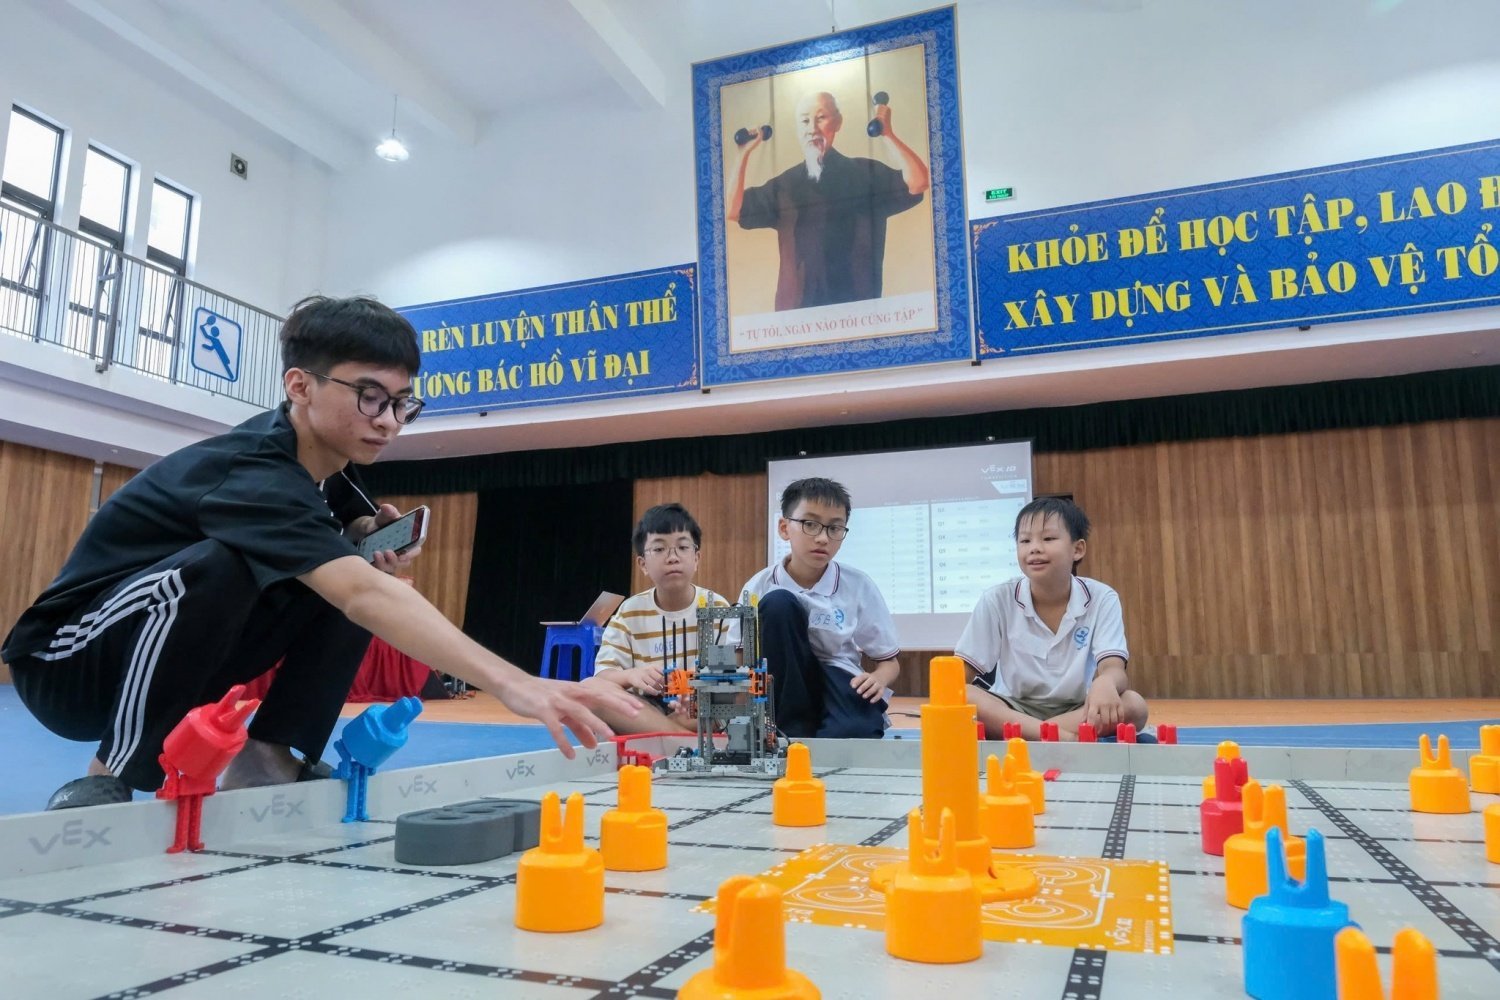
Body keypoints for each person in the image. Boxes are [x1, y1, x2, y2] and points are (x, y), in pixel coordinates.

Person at [2, 295, 635, 809]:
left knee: (344, 571)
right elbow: (362, 592)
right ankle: (110, 773)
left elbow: (355, 586)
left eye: (400, 403)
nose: (387, 419)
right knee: (232, 568)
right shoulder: (254, 469)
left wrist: (356, 541)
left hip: (183, 660)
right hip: (69, 663)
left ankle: (269, 757)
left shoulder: (335, 477)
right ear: (299, 385)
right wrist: (517, 683)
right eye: (369, 396)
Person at [955, 497, 1147, 741]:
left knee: (1134, 704)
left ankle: (1032, 735)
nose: (1034, 547)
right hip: (1011, 707)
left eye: (1048, 539)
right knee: (965, 695)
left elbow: (1113, 668)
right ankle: (1066, 739)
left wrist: (1106, 683)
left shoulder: (1101, 597)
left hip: (1076, 709)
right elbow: (961, 675)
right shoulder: (997, 599)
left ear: (1077, 549)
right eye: (1025, 540)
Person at [727, 90, 930, 311]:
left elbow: (918, 182)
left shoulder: (865, 173)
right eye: (804, 121)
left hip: (859, 312)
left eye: (821, 118)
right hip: (796, 319)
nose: (812, 128)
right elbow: (733, 210)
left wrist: (887, 133)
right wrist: (743, 154)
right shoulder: (785, 185)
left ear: (838, 122)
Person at [735, 478, 900, 739]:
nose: (823, 538)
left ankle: (823, 725)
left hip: (838, 675)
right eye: (810, 524)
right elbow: (740, 656)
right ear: (784, 527)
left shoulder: (858, 584)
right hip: (782, 679)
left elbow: (889, 662)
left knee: (854, 734)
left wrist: (878, 679)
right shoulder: (759, 586)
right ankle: (789, 728)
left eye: (835, 528)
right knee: (778, 602)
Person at [582, 503, 731, 735]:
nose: (672, 557)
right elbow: (603, 675)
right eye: (659, 549)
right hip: (645, 709)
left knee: (728, 698)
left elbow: (729, 678)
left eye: (682, 547)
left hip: (696, 709)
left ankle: (658, 737)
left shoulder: (718, 608)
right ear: (642, 564)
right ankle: (680, 740)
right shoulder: (630, 612)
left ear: (697, 557)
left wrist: (696, 691)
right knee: (588, 689)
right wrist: (632, 675)